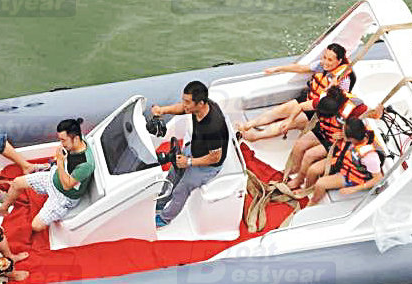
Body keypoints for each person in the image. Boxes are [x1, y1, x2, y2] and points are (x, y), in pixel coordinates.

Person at [0, 118, 95, 232]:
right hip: (54, 176)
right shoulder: (78, 139)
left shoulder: (85, 164)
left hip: (64, 196)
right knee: (17, 183)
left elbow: (67, 186)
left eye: (63, 140)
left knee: (36, 226)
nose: (61, 144)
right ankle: (3, 209)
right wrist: (57, 163)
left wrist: (60, 161)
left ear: (76, 138)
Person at [150, 80, 229, 227]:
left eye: (187, 102)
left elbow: (215, 157)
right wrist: (162, 110)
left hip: (208, 165)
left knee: (181, 189)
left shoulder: (213, 127)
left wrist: (189, 162)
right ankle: (160, 203)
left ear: (200, 103)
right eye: (183, 100)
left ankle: (165, 219)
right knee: (173, 174)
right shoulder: (198, 108)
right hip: (195, 149)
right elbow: (182, 108)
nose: (184, 105)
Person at [237, 43, 353, 142]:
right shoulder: (321, 65)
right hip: (308, 99)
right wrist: (277, 69)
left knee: (287, 124)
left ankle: (255, 137)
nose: (325, 62)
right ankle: (248, 125)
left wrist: (333, 87)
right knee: (278, 111)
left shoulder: (343, 80)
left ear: (339, 61)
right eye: (324, 57)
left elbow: (337, 102)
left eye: (330, 60)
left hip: (318, 111)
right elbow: (301, 68)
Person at [283, 86, 381, 190]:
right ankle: (296, 168)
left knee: (309, 155)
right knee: (299, 144)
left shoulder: (356, 108)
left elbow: (372, 116)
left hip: (336, 141)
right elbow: (300, 106)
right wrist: (289, 121)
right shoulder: (325, 100)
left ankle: (299, 179)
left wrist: (343, 134)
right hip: (324, 130)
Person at [308, 118, 384, 206]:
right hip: (342, 160)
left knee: (320, 183)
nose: (341, 132)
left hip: (351, 175)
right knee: (312, 170)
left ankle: (313, 201)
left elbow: (378, 178)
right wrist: (338, 137)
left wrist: (354, 189)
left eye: (343, 132)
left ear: (351, 138)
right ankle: (308, 191)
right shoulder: (358, 133)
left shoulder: (370, 157)